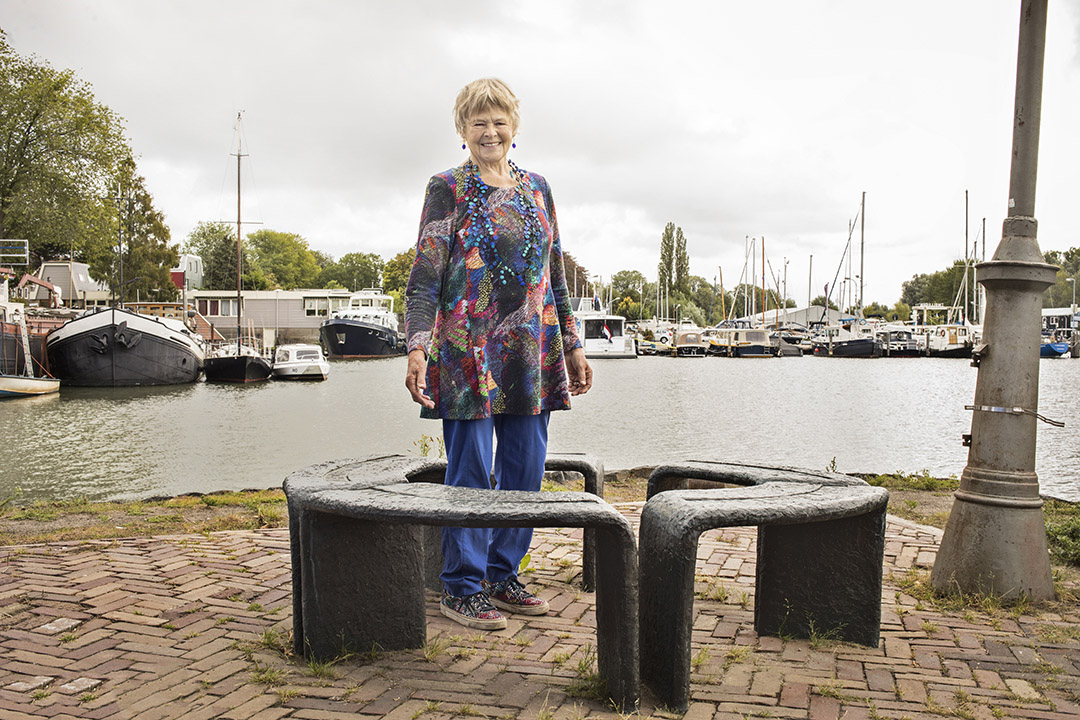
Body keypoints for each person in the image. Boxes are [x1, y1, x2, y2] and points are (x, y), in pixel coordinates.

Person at [404, 77, 592, 631]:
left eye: (499, 121)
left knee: (525, 470)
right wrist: (417, 347)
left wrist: (574, 345)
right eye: (478, 122)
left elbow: (555, 273)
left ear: (515, 127)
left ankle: (502, 573)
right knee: (469, 470)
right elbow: (425, 278)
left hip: (531, 351)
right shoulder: (447, 187)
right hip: (467, 351)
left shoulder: (539, 189)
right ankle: (460, 587)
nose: (490, 131)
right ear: (463, 131)